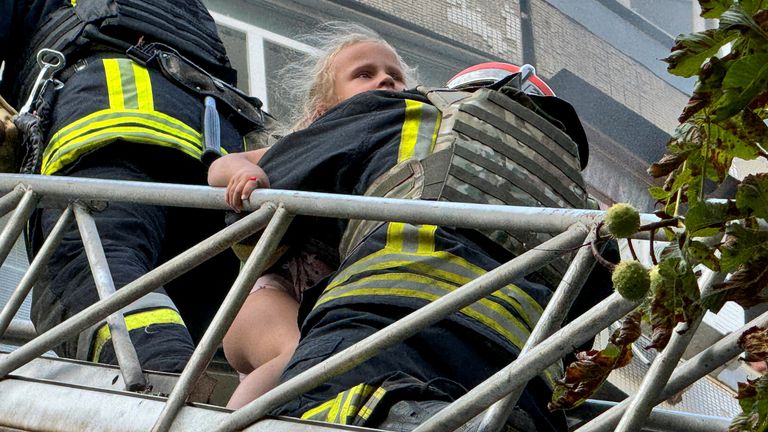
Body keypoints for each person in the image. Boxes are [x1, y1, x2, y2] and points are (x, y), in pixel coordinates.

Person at [0, 0, 264, 372]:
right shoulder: (190, 10)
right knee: (179, 321)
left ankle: (159, 384)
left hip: (111, 129)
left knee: (92, 278)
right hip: (214, 172)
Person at [207, 23, 412, 409]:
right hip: (271, 298)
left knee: (329, 366)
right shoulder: (306, 144)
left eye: (395, 76)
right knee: (297, 360)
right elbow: (222, 165)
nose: (386, 79)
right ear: (323, 110)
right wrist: (245, 174)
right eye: (365, 75)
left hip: (331, 312)